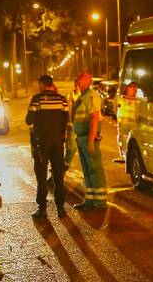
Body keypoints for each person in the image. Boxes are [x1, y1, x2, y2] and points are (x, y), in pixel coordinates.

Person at [26, 75, 70, 219]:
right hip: (58, 142)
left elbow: (28, 120)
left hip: (41, 143)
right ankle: (61, 208)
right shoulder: (62, 99)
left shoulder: (37, 99)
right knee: (58, 175)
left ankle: (42, 208)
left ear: (42, 84)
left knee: (41, 175)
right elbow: (66, 120)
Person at [71, 72, 107, 210]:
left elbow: (94, 118)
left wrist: (91, 141)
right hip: (82, 138)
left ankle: (100, 202)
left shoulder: (91, 95)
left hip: (88, 137)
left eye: (80, 80)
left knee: (94, 169)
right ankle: (90, 200)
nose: (78, 83)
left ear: (87, 81)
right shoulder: (83, 96)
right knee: (87, 170)